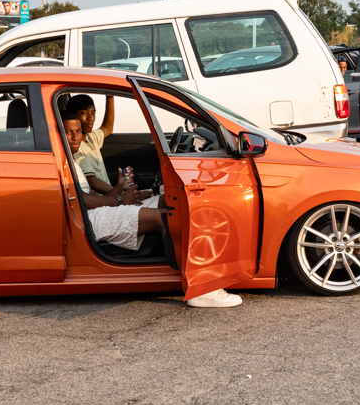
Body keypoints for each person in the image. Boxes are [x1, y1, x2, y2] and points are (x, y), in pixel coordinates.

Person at [62, 111, 242, 309]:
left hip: (97, 209)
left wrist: (121, 190)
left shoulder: (70, 157)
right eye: (69, 132)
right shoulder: (63, 162)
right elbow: (81, 201)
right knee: (165, 218)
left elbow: (89, 197)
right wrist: (121, 202)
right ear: (59, 133)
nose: (75, 136)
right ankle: (201, 288)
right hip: (89, 218)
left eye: (78, 131)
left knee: (170, 202)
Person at [68, 94, 116, 194]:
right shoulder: (75, 146)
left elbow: (108, 128)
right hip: (103, 201)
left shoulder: (90, 137)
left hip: (112, 197)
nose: (91, 118)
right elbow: (92, 181)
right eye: (84, 113)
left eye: (93, 113)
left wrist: (109, 96)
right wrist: (121, 194)